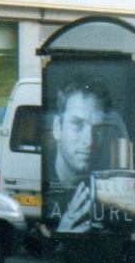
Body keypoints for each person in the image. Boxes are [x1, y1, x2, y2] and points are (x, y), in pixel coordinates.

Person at [47, 77, 122, 232]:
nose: (89, 140)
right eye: (78, 124)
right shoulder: (39, 176)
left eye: (98, 128)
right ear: (57, 128)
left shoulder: (108, 185)